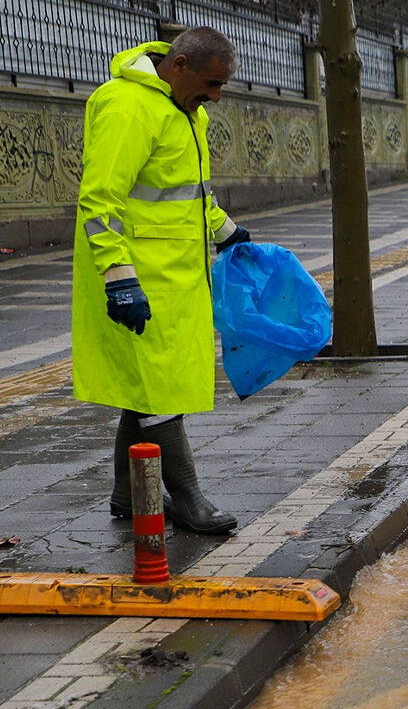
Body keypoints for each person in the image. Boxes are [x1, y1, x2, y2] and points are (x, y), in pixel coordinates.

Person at [72, 27, 250, 534]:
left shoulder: (185, 110)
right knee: (159, 392)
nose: (216, 96)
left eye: (222, 86)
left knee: (145, 388)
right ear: (180, 66)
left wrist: (228, 232)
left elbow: (188, 195)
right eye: (212, 83)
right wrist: (118, 276)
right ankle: (189, 499)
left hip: (174, 278)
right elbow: (100, 200)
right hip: (137, 278)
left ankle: (128, 495)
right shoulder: (129, 108)